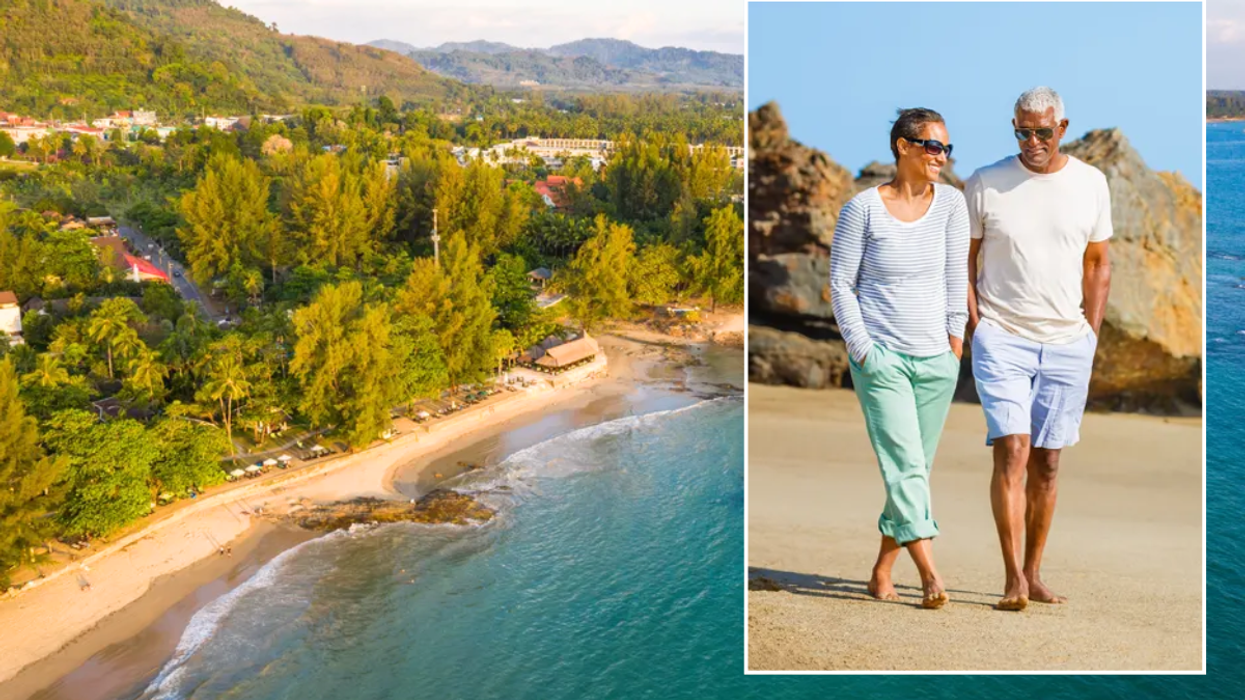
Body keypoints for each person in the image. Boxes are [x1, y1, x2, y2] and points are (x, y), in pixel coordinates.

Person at [965, 86, 1111, 611]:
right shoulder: (985, 184)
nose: (1032, 141)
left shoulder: (1091, 184)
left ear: (1062, 128)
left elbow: (1098, 263)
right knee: (1014, 452)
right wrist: (975, 317)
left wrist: (1090, 333)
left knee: (1047, 463)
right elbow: (965, 256)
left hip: (1069, 342)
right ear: (1014, 127)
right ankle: (1012, 579)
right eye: (1022, 131)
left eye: (1042, 131)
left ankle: (1034, 572)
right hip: (1002, 337)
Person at [830, 107, 970, 609]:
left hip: (937, 361)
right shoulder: (861, 209)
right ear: (903, 147)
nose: (942, 156)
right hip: (883, 360)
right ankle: (930, 574)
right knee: (907, 467)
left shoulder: (952, 205)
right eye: (933, 146)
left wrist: (955, 342)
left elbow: (958, 277)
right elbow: (841, 285)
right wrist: (862, 349)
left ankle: (881, 570)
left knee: (911, 471)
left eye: (946, 148)